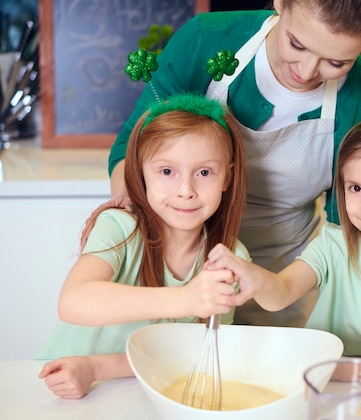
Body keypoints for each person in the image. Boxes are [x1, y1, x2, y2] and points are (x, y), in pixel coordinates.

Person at [101, 0, 361, 328]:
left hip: (283, 279)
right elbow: (134, 148)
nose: (307, 71)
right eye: (297, 44)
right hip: (172, 266)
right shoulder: (207, 40)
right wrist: (127, 219)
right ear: (280, 3)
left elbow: (359, 223)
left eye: (336, 62)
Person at [208, 86, 361, 378]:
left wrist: (338, 372)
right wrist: (251, 277)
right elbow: (281, 293)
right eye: (356, 188)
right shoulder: (332, 245)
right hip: (330, 382)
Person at [36, 94, 248, 399]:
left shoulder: (232, 258)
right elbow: (73, 301)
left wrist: (97, 368)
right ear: (141, 173)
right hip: (58, 387)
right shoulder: (120, 227)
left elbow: (196, 353)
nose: (186, 190)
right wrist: (186, 298)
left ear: (227, 177)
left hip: (139, 387)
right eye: (166, 172)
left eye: (204, 172)